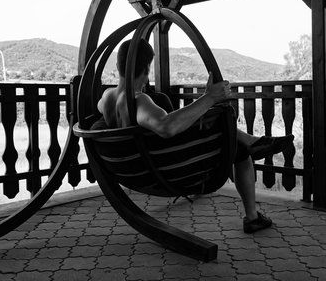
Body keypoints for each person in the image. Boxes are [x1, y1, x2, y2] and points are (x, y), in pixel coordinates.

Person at [97, 39, 294, 233]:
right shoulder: (138, 100)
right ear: (148, 68)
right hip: (165, 171)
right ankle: (252, 216)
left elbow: (103, 118)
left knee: (227, 136)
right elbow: (166, 126)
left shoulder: (107, 97)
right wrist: (209, 98)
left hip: (135, 167)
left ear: (118, 65)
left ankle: (251, 142)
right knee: (239, 149)